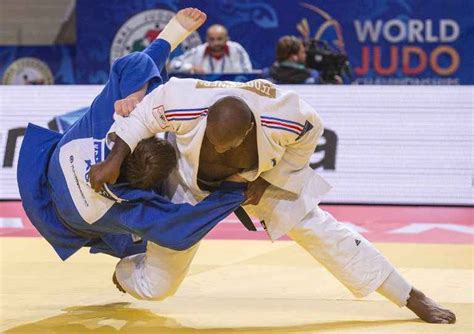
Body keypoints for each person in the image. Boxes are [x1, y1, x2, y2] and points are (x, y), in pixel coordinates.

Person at [90, 69, 455, 323]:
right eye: (214, 142)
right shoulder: (182, 99)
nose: (218, 151)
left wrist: (270, 179)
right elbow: (137, 121)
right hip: (187, 180)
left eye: (227, 145)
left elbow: (305, 142)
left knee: (322, 229)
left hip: (256, 178)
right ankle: (127, 271)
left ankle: (409, 295)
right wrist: (113, 160)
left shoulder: (290, 115)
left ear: (251, 128)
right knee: (157, 288)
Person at [17, 8, 246, 262]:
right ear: (143, 189)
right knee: (145, 245)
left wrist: (135, 95)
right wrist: (233, 193)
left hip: (42, 176)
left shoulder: (106, 124)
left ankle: (161, 51)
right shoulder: (131, 203)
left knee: (146, 97)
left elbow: (135, 63)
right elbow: (178, 232)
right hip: (71, 220)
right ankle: (128, 273)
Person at [168, 24, 253, 74]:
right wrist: (191, 68)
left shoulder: (237, 50)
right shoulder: (198, 51)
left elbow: (248, 73)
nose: (216, 43)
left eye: (219, 39)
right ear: (207, 39)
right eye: (212, 39)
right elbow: (173, 64)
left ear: (227, 38)